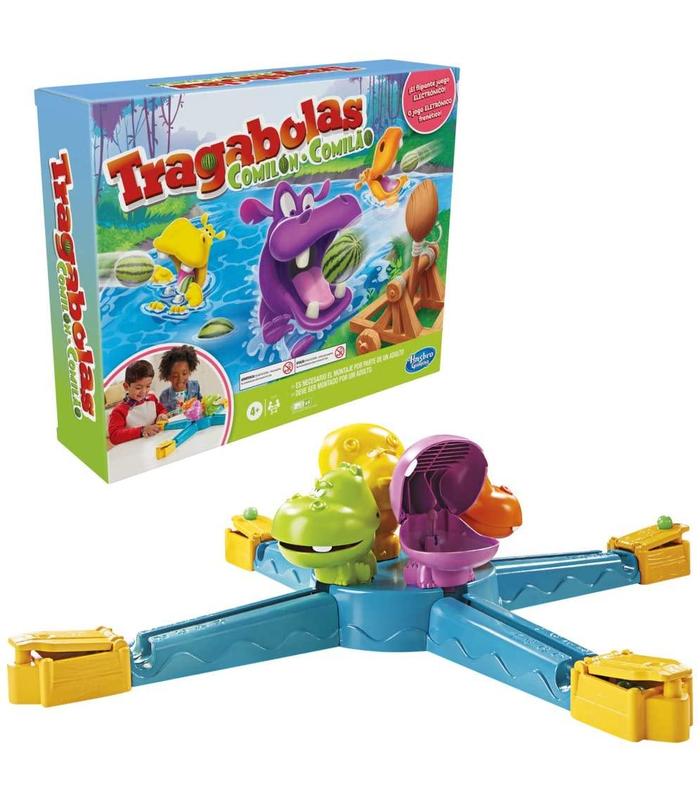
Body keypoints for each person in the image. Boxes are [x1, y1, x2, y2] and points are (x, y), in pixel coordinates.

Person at [108, 360, 168, 444]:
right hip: (134, 448)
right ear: (126, 386)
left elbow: (162, 409)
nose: (144, 391)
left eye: (148, 386)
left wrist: (162, 414)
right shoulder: (119, 411)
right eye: (138, 388)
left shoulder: (152, 398)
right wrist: (142, 430)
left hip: (155, 443)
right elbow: (114, 436)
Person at [158, 345, 201, 412]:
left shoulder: (195, 386)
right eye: (175, 376)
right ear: (168, 376)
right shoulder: (164, 396)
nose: (180, 379)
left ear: (189, 371)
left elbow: (200, 403)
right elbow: (164, 414)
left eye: (184, 374)